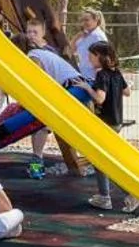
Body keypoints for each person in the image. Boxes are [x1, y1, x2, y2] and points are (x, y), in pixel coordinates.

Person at [18, 31, 89, 176]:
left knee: (42, 124)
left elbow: (39, 79)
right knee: (42, 124)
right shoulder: (40, 52)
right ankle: (37, 162)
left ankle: (37, 165)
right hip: (76, 85)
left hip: (71, 87)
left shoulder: (33, 56)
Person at [87, 42, 139, 212]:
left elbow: (100, 98)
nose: (89, 58)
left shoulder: (101, 74)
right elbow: (127, 92)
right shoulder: (116, 73)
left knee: (105, 162)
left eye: (91, 55)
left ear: (99, 57)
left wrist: (87, 88)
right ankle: (104, 196)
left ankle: (130, 193)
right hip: (116, 121)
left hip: (106, 123)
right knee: (99, 160)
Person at [73, 8, 111, 84]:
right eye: (82, 20)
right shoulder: (84, 35)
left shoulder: (98, 36)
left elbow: (104, 59)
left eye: (87, 20)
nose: (84, 23)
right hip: (82, 77)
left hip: (93, 79)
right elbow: (70, 51)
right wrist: (77, 36)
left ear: (96, 20)